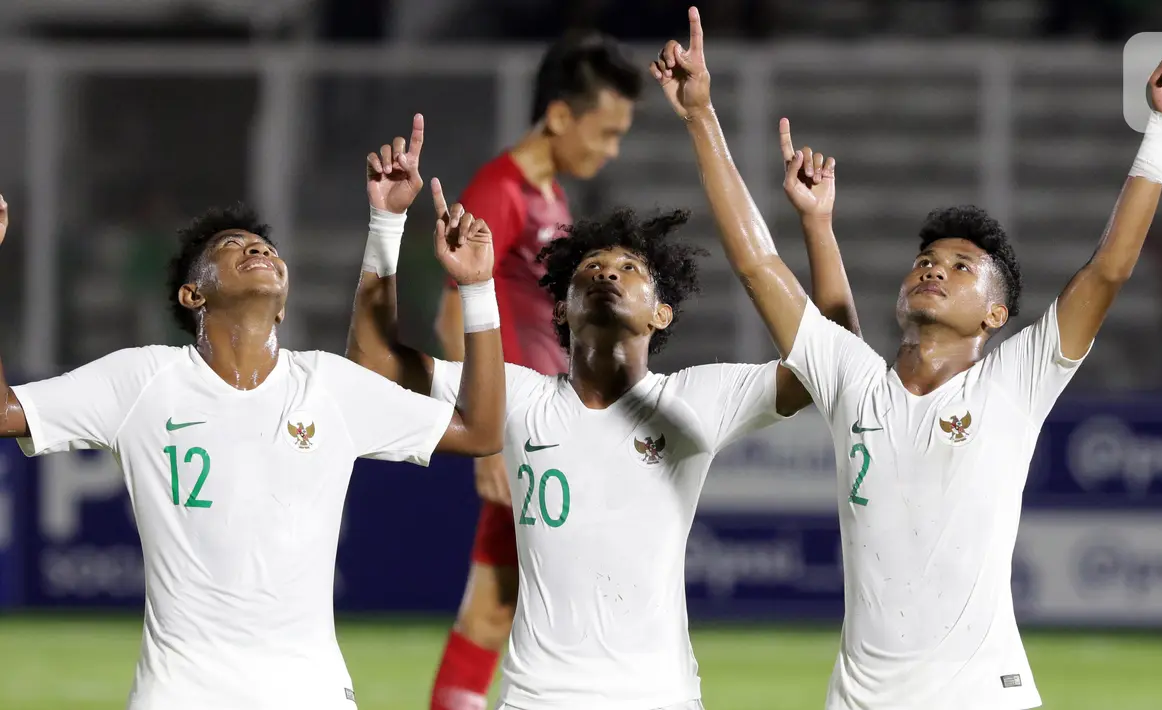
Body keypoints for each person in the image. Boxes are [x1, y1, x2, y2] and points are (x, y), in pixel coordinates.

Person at [651, 8, 1162, 709]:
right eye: (925, 260)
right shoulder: (857, 385)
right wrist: (702, 115)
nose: (933, 269)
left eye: (960, 265)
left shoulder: (1015, 381)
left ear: (995, 316)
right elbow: (758, 263)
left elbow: (1105, 274)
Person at [0, 149, 506, 710]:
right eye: (231, 247)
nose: (258, 248)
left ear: (285, 305)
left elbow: (481, 432)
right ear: (193, 295)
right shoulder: (142, 380)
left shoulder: (329, 386)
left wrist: (477, 288)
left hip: (309, 695)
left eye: (265, 246)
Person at [347, 142, 823, 709]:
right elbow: (373, 363)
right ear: (563, 312)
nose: (607, 274)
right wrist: (387, 220)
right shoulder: (520, 398)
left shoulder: (695, 398)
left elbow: (829, 365)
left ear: (660, 313)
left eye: (629, 269)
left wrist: (814, 224)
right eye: (591, 268)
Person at [426, 30, 641, 710]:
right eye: (603, 133)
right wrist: (486, 436)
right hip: (521, 430)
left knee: (499, 605)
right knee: (507, 605)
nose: (609, 150)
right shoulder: (501, 189)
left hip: (546, 426)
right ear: (557, 116)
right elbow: (449, 316)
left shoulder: (547, 195)